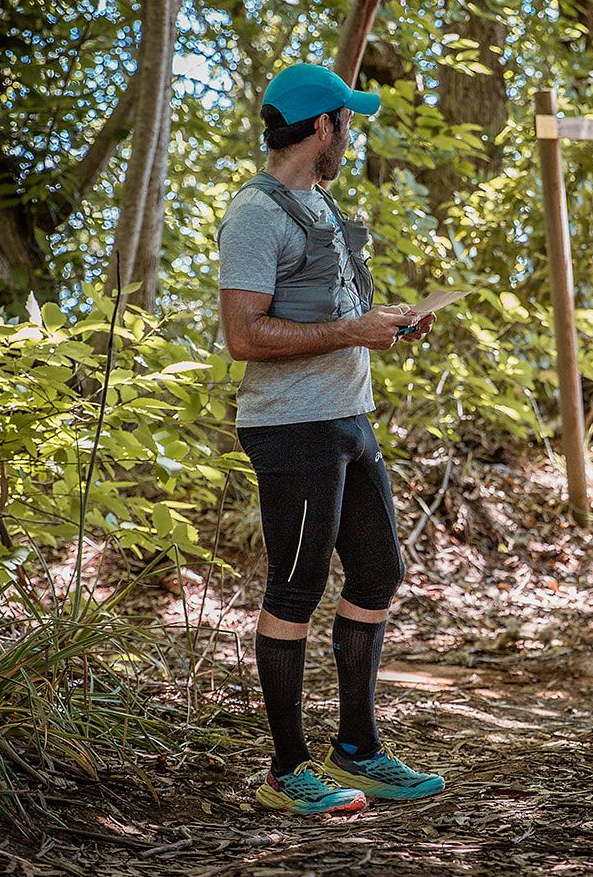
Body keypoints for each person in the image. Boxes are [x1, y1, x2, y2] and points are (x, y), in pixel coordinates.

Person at [217, 63, 444, 815]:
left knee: (379, 573)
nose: (351, 134)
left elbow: (337, 313)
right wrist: (351, 330)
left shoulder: (323, 203)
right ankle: (287, 770)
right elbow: (244, 337)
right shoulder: (256, 214)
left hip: (350, 418)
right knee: (296, 589)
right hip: (292, 428)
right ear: (323, 127)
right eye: (348, 122)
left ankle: (360, 750)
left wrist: (389, 324)